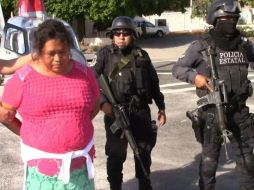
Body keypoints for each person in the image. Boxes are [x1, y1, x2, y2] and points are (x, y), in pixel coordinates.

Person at [0, 19, 100, 190]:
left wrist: (75, 124)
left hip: (80, 167)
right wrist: (28, 132)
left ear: (70, 48)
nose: (58, 59)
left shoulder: (85, 73)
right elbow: (5, 115)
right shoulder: (23, 79)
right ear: (38, 52)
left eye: (62, 52)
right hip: (43, 172)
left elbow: (94, 106)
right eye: (50, 53)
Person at [172, 0, 254, 189]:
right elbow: (178, 68)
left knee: (248, 163)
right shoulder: (200, 46)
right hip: (211, 114)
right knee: (209, 165)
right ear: (215, 20)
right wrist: (195, 77)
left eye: (234, 18)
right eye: (225, 18)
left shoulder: (243, 45)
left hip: (239, 112)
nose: (230, 22)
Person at [94, 16, 166, 190]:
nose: (121, 37)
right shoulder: (105, 54)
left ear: (133, 35)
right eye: (117, 33)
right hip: (116, 113)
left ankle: (144, 184)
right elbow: (93, 81)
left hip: (140, 112)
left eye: (125, 33)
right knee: (115, 154)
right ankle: (115, 186)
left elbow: (154, 83)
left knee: (143, 152)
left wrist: (161, 107)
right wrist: (103, 104)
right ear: (112, 36)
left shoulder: (142, 55)